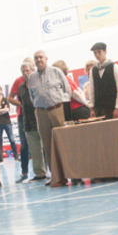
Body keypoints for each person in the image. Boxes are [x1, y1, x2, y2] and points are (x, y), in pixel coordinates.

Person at [27, 50, 74, 188]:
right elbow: (31, 96)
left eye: (41, 57)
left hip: (57, 110)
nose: (38, 60)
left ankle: (72, 174)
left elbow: (67, 91)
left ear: (46, 58)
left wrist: (59, 106)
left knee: (63, 142)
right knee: (47, 145)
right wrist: (40, 105)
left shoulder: (56, 72)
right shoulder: (32, 77)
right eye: (36, 58)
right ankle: (56, 177)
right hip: (41, 113)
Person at [13, 61, 47, 182]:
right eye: (23, 71)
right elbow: (19, 102)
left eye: (27, 70)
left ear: (33, 70)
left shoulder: (39, 83)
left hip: (41, 120)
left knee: (47, 148)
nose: (25, 73)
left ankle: (54, 173)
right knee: (34, 150)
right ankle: (39, 173)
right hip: (28, 122)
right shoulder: (21, 87)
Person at [88, 43, 118, 119]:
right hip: (99, 109)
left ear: (105, 51)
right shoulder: (93, 70)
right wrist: (92, 108)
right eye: (95, 53)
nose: (97, 55)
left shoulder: (114, 67)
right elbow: (91, 90)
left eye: (99, 52)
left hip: (112, 108)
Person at [0, 86, 19, 161]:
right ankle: (0, 157)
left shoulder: (5, 99)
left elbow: (7, 110)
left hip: (7, 122)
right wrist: (3, 110)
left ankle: (16, 155)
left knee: (11, 139)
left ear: (1, 91)